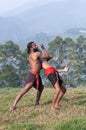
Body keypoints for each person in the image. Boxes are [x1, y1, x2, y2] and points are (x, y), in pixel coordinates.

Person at [10, 41, 49, 111]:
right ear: (31, 48)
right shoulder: (36, 54)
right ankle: (13, 106)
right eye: (35, 45)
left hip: (37, 75)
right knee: (25, 90)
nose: (36, 46)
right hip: (32, 75)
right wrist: (43, 47)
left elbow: (42, 61)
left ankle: (37, 102)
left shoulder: (33, 55)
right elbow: (47, 56)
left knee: (41, 88)